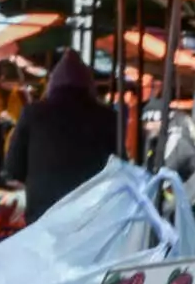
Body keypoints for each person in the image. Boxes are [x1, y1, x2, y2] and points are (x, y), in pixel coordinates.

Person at [6, 51, 118, 221]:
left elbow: (13, 168)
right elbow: (119, 167)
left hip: (43, 216)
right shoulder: (108, 117)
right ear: (89, 85)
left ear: (52, 85)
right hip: (90, 216)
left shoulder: (33, 113)